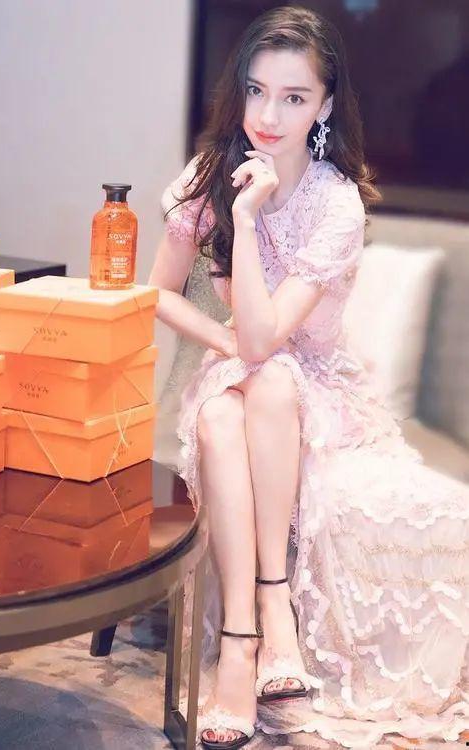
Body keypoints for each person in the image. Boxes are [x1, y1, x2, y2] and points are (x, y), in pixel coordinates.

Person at [149, 6, 469, 748]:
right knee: (225, 407)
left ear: (324, 105)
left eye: (294, 97)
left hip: (318, 384)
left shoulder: (336, 201)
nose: (269, 116)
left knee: (271, 383)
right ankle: (253, 633)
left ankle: (262, 619)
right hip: (235, 373)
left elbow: (270, 341)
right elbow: (159, 294)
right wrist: (220, 336)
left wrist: (249, 218)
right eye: (257, 91)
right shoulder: (206, 176)